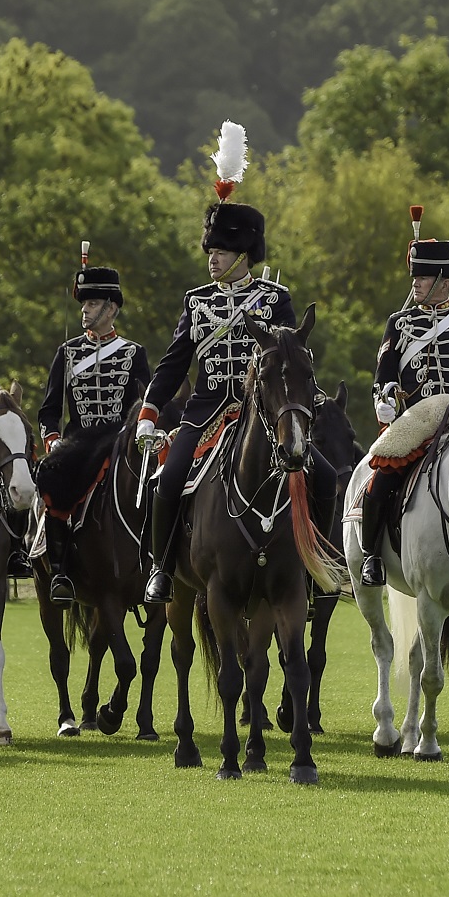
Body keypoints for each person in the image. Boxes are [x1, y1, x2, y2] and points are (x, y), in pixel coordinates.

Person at [137, 195, 295, 605]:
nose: (212, 259)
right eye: (211, 251)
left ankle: (311, 570)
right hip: (205, 412)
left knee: (318, 475)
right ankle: (161, 569)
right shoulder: (197, 302)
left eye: (221, 252)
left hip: (260, 413)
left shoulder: (275, 300)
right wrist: (149, 414)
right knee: (168, 480)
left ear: (243, 254)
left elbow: (291, 362)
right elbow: (173, 366)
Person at [356, 231, 449, 587]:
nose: (415, 283)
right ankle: (372, 555)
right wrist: (384, 400)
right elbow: (383, 376)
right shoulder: (399, 323)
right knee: (381, 476)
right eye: (415, 277)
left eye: (423, 277)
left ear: (444, 283)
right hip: (416, 419)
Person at [37, 255, 150, 603]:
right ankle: (59, 572)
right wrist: (52, 441)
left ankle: (156, 566)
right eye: (84, 303)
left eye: (93, 303)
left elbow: (145, 403)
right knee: (52, 481)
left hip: (118, 442)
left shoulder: (133, 353)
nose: (85, 310)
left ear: (112, 308)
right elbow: (49, 410)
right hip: (78, 445)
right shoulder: (67, 353)